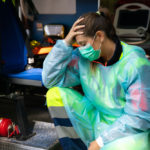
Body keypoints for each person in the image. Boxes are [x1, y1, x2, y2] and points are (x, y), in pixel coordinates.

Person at [42, 11, 150, 150]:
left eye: (82, 44)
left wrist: (100, 141)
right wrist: (65, 43)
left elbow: (138, 118)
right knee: (54, 94)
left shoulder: (135, 64)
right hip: (97, 120)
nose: (81, 49)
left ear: (99, 36)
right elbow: (50, 80)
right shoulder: (86, 59)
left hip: (128, 131)